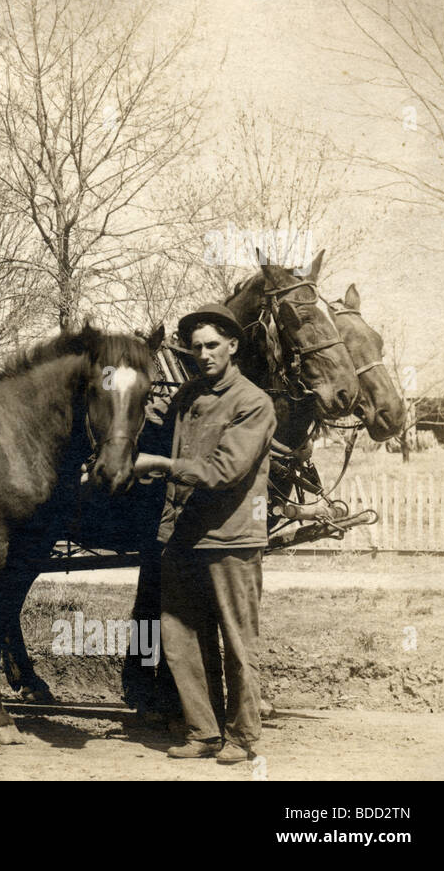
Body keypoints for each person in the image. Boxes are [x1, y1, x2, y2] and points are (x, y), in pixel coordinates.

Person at [133, 303, 276, 765]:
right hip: (181, 536)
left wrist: (164, 466)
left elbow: (225, 470)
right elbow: (158, 427)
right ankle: (203, 731)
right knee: (179, 637)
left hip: (231, 539)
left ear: (233, 346)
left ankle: (242, 736)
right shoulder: (188, 397)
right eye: (196, 347)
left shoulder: (253, 401)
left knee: (237, 642)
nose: (204, 353)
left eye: (213, 344)